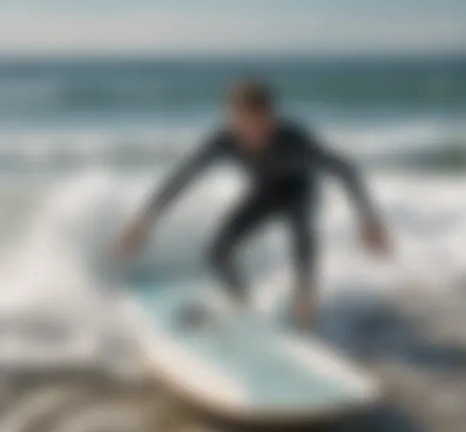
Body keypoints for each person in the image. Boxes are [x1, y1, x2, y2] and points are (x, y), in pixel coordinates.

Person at [114, 80, 391, 327]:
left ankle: (306, 303)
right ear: (232, 119)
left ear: (271, 117)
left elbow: (345, 169)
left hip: (300, 191)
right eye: (243, 124)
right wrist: (144, 220)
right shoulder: (224, 141)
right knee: (217, 252)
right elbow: (182, 177)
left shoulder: (294, 142)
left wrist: (368, 219)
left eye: (259, 124)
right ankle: (243, 306)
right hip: (265, 191)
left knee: (302, 242)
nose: (252, 133)